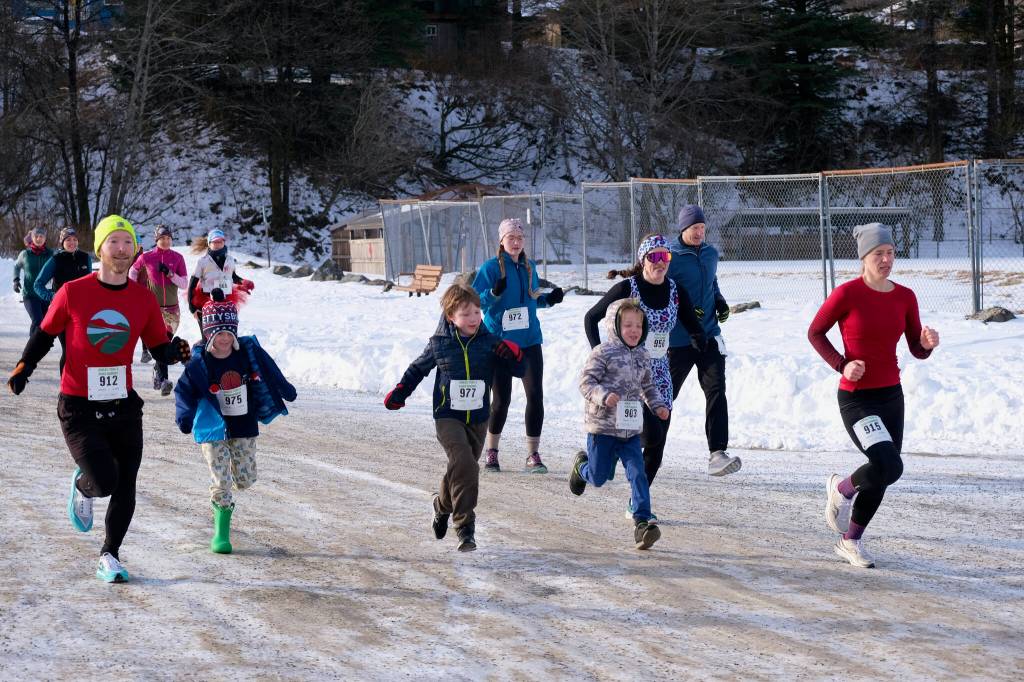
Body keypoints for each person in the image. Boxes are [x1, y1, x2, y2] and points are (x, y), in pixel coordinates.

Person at [6, 214, 192, 583]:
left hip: (123, 404)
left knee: (127, 483)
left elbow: (157, 346)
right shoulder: (74, 292)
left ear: (135, 249)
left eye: (127, 243)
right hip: (78, 405)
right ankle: (83, 484)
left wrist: (175, 351)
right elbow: (45, 333)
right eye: (114, 242)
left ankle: (110, 554)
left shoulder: (143, 299)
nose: (121, 250)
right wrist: (24, 366)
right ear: (101, 248)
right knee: (105, 481)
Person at [808, 223, 939, 569]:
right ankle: (842, 489)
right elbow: (815, 332)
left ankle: (849, 540)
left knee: (885, 471)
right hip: (857, 399)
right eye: (879, 254)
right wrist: (842, 364)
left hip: (890, 396)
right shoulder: (847, 294)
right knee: (888, 463)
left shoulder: (905, 296)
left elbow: (915, 345)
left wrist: (925, 346)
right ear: (864, 257)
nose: (886, 259)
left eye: (891, 253)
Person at [384, 283, 526, 552]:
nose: (473, 318)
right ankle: (465, 528)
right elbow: (417, 369)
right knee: (465, 463)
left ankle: (441, 506)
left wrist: (515, 355)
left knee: (461, 468)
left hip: (479, 417)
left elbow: (519, 370)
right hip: (447, 415)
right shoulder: (439, 344)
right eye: (465, 313)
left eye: (476, 312)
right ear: (451, 317)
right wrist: (400, 392)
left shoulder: (490, 342)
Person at [584, 234, 703, 515]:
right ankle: (605, 459)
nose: (660, 262)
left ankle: (637, 504)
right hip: (623, 375)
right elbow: (591, 317)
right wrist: (602, 355)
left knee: (657, 441)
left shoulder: (676, 291)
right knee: (642, 434)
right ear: (643, 260)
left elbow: (692, 322)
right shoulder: (628, 288)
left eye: (666, 257)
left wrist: (700, 337)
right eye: (654, 257)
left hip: (658, 374)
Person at [174, 289, 296, 554]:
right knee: (221, 481)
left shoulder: (246, 354)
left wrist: (285, 389)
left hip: (243, 425)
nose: (225, 339)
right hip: (212, 428)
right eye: (219, 334)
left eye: (229, 333)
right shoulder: (199, 362)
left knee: (245, 478)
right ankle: (221, 535)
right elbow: (183, 391)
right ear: (209, 334)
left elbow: (270, 370)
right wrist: (184, 417)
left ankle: (236, 484)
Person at [572, 299, 669, 550]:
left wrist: (657, 406)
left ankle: (642, 522)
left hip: (630, 430)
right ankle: (581, 468)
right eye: (628, 325)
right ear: (615, 326)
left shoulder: (643, 354)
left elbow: (647, 387)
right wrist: (603, 396)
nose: (634, 330)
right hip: (602, 428)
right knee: (598, 477)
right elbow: (586, 382)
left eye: (638, 325)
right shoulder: (603, 352)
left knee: (638, 473)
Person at [471, 218, 563, 474]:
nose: (516, 242)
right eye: (510, 238)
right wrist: (493, 293)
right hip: (500, 341)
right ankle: (492, 451)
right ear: (501, 241)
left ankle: (533, 454)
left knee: (535, 395)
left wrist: (550, 300)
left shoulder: (529, 267)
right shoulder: (490, 268)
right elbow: (474, 302)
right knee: (501, 400)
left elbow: (531, 301)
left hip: (530, 339)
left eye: (520, 238)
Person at [666, 205, 741, 477]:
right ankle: (636, 442)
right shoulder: (671, 257)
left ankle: (717, 453)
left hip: (709, 335)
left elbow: (711, 282)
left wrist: (719, 300)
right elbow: (664, 290)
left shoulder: (710, 253)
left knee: (716, 391)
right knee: (665, 395)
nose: (699, 233)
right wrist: (685, 312)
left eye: (702, 228)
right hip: (679, 340)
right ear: (683, 229)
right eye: (694, 228)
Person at [130, 225, 189, 396]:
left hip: (172, 311)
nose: (166, 241)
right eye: (162, 238)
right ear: (157, 240)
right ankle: (164, 380)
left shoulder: (177, 258)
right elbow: (133, 271)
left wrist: (171, 274)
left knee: (165, 344)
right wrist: (135, 290)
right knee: (162, 342)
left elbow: (184, 283)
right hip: (154, 309)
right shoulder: (147, 257)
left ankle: (158, 371)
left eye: (168, 238)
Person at [33, 227, 93, 374]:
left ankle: (80, 387)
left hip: (83, 312)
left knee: (83, 349)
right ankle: (65, 389)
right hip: (63, 312)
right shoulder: (56, 260)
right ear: (62, 242)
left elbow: (90, 284)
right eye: (68, 240)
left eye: (74, 239)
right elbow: (38, 284)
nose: (72, 242)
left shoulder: (86, 258)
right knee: (69, 349)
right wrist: (52, 297)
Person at [187, 229, 253, 322]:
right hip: (206, 301)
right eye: (215, 242)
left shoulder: (230, 260)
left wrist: (243, 282)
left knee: (226, 332)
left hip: (226, 300)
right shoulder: (203, 261)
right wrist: (192, 308)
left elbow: (233, 276)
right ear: (209, 243)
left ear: (224, 242)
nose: (218, 244)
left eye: (220, 241)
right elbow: (192, 284)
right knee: (208, 334)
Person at [13, 227, 53, 338]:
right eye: (36, 236)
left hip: (45, 295)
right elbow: (16, 266)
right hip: (30, 294)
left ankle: (38, 344)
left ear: (45, 238)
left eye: (41, 236)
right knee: (37, 320)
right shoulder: (25, 254)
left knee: (43, 322)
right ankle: (32, 349)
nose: (39, 238)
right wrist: (16, 280)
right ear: (32, 237)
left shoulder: (51, 254)